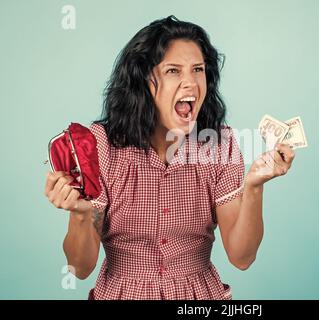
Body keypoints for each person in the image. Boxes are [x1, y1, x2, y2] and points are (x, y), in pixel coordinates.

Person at [44, 15, 294, 300]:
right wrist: (80, 214)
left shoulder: (220, 143)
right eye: (173, 71)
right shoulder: (102, 145)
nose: (190, 83)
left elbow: (242, 257)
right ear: (143, 82)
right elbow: (80, 268)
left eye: (198, 70)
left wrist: (254, 187)